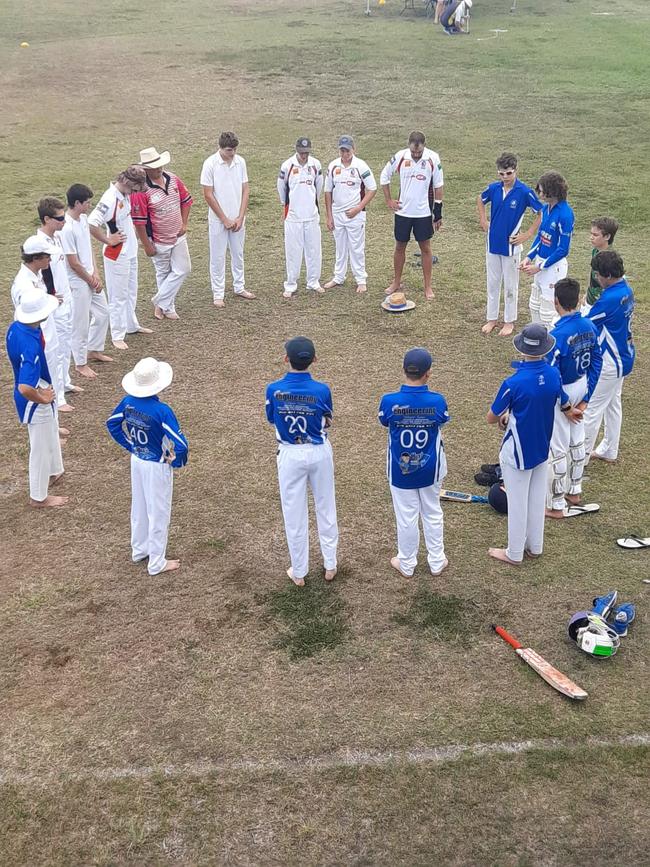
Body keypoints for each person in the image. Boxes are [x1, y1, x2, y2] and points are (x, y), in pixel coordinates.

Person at [487, 323, 580, 565]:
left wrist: (507, 416)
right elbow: (564, 402)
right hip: (542, 445)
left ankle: (514, 552)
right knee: (537, 499)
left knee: (518, 503)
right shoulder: (552, 374)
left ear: (522, 349)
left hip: (517, 451)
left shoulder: (513, 382)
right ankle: (535, 546)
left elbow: (491, 417)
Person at [265, 337, 338, 586]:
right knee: (326, 506)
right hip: (318, 451)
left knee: (293, 512)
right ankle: (330, 564)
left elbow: (272, 418)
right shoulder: (322, 389)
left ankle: (299, 571)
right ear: (314, 360)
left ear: (286, 359)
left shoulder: (274, 389)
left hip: (290, 453)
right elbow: (328, 419)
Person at [106, 357, 188, 575]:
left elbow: (112, 423)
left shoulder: (128, 402)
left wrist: (129, 445)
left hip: (138, 460)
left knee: (140, 507)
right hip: (156, 464)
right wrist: (177, 460)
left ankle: (139, 549)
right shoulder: (161, 411)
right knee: (158, 511)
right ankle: (157, 562)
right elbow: (181, 443)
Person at [378, 347, 450, 577]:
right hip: (431, 467)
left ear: (404, 370)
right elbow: (442, 420)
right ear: (428, 373)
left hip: (401, 469)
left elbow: (384, 422)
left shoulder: (389, 401)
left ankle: (407, 564)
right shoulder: (438, 401)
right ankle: (437, 561)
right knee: (432, 512)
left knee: (406, 516)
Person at [545, 278, 602, 517]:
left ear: (556, 302)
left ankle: (557, 503)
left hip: (565, 390)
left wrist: (566, 405)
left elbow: (552, 376)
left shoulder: (556, 335)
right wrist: (587, 397)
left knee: (557, 446)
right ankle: (575, 490)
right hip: (581, 384)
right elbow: (597, 360)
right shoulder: (590, 326)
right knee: (577, 438)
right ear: (579, 300)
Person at [6, 288, 68, 508]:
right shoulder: (30, 346)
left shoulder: (16, 328)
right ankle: (38, 496)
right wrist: (42, 398)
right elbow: (25, 386)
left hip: (41, 390)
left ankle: (54, 471)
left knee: (50, 433)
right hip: (35, 400)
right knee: (40, 448)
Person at [477, 152, 542, 336]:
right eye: (502, 174)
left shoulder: (524, 192)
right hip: (493, 244)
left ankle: (509, 321)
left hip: (511, 247)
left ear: (516, 171)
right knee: (493, 282)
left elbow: (540, 213)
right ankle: (491, 318)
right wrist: (483, 220)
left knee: (511, 284)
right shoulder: (494, 189)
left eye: (509, 173)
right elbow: (480, 200)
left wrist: (527, 234)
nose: (505, 177)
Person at [88, 165, 153, 350]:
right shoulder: (109, 199)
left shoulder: (125, 195)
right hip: (117, 254)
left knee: (131, 290)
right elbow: (92, 223)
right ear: (128, 183)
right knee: (118, 295)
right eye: (135, 189)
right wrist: (108, 240)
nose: (136, 193)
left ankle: (131, 325)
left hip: (129, 251)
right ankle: (117, 333)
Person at [583, 251, 635, 464]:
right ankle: (609, 448)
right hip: (625, 356)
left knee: (592, 410)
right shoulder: (626, 290)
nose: (596, 278)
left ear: (607, 275)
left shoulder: (609, 299)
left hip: (610, 362)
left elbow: (586, 324)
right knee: (613, 403)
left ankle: (579, 461)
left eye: (597, 274)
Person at [380, 131, 443, 301]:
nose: (416, 154)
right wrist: (389, 200)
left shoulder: (432, 158)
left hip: (423, 213)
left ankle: (428, 286)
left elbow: (438, 186)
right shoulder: (400, 156)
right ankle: (396, 282)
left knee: (426, 248)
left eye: (419, 152)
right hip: (403, 212)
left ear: (424, 146)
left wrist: (437, 213)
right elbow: (384, 176)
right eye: (413, 152)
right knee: (400, 246)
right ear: (409, 145)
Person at [132, 147, 193, 320]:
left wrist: (184, 223)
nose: (159, 169)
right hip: (158, 238)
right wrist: (146, 244)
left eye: (160, 166)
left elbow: (187, 200)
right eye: (154, 167)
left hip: (178, 235)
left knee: (184, 268)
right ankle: (167, 307)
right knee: (163, 272)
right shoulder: (141, 192)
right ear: (146, 170)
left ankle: (159, 302)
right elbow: (139, 221)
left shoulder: (173, 179)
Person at [60, 183, 112, 379]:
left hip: (90, 277)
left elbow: (88, 249)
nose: (89, 206)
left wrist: (96, 273)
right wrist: (90, 279)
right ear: (76, 203)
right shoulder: (65, 228)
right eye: (87, 203)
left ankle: (94, 349)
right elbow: (73, 262)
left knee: (103, 312)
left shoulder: (82, 219)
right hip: (78, 282)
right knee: (80, 322)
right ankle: (80, 363)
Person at [200, 131, 254, 308]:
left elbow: (245, 189)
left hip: (237, 217)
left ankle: (239, 286)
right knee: (218, 256)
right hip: (218, 220)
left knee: (238, 253)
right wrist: (224, 219)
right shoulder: (210, 164)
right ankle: (218, 293)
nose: (232, 154)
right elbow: (208, 195)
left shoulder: (240, 162)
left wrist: (240, 216)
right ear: (221, 148)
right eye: (229, 150)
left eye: (234, 150)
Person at [37, 196, 79, 410]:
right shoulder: (38, 244)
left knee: (67, 342)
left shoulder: (57, 238)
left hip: (66, 298)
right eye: (59, 218)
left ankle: (65, 381)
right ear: (46, 219)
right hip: (55, 304)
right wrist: (50, 296)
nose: (63, 222)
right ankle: (58, 396)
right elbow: (38, 275)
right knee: (56, 348)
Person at [323, 135, 377, 294]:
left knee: (356, 247)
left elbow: (372, 189)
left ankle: (360, 279)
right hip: (337, 214)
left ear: (353, 149)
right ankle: (338, 277)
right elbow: (327, 191)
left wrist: (358, 208)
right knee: (340, 247)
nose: (345, 153)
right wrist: (329, 216)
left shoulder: (361, 166)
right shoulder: (333, 166)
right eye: (342, 150)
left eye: (347, 150)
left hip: (355, 215)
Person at [521, 171, 574, 326]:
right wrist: (529, 257)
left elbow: (563, 249)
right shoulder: (545, 209)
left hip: (553, 267)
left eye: (542, 190)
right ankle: (537, 341)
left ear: (553, 191)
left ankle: (550, 343)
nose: (540, 193)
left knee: (549, 310)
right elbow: (541, 236)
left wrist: (540, 267)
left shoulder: (565, 215)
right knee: (535, 302)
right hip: (540, 261)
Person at [277, 138, 324, 299]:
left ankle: (313, 281)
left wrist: (311, 204)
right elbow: (281, 188)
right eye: (301, 153)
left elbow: (319, 188)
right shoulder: (287, 165)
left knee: (314, 249)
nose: (304, 156)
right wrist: (288, 205)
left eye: (306, 153)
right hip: (293, 216)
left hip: (311, 215)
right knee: (293, 251)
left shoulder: (315, 165)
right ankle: (291, 284)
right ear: (296, 150)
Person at [584, 217, 619, 311]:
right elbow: (592, 277)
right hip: (590, 301)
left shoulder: (611, 260)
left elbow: (614, 284)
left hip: (600, 305)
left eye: (595, 235)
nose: (591, 237)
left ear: (607, 237)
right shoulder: (595, 251)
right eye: (591, 234)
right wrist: (587, 294)